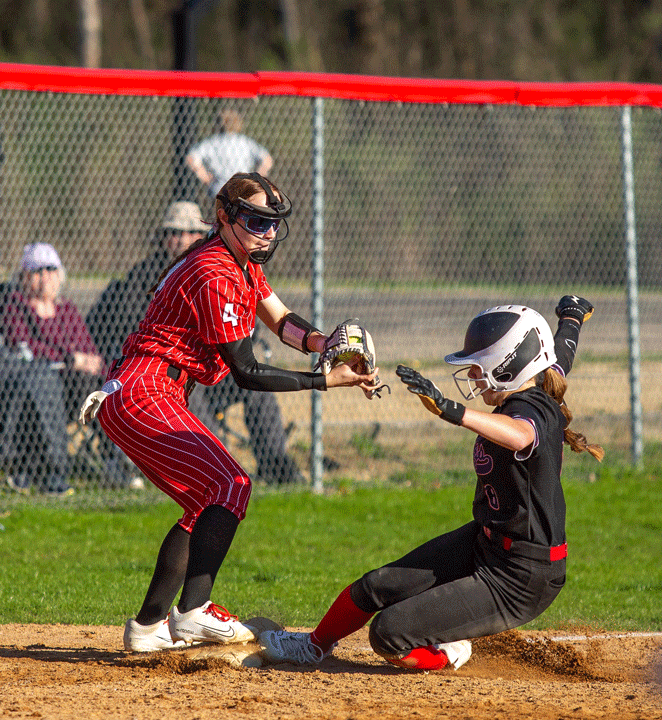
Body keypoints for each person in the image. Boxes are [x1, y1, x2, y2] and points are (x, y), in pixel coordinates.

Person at [90, 172, 380, 653]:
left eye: (272, 224)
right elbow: (246, 371)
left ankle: (147, 627)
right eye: (254, 220)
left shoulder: (238, 261)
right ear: (224, 215)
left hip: (152, 387)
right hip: (145, 388)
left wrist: (322, 343)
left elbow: (280, 318)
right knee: (231, 484)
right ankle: (193, 612)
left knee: (203, 503)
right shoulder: (215, 270)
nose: (266, 232)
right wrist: (324, 379)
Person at [259, 296, 604, 670]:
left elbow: (521, 435)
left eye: (479, 367)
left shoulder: (531, 411)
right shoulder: (535, 383)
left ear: (510, 365)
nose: (472, 376)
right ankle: (313, 646)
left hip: (523, 576)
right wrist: (571, 318)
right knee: (376, 585)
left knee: (389, 634)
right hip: (486, 542)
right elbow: (560, 355)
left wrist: (452, 411)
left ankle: (450, 650)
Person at [85, 200, 304, 485]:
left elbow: (244, 318)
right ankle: (222, 472)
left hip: (216, 367)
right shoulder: (143, 278)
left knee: (257, 389)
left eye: (190, 232)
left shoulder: (220, 267)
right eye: (174, 232)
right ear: (164, 237)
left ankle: (275, 463)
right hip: (169, 375)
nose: (182, 239)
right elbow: (132, 327)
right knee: (192, 390)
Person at [0, 243, 107, 495]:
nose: (44, 276)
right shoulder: (15, 305)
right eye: (36, 270)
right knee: (40, 383)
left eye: (50, 269)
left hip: (72, 389)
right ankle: (49, 471)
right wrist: (71, 359)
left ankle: (116, 460)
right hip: (33, 385)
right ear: (24, 277)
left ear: (60, 274)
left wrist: (83, 361)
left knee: (104, 387)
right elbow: (23, 346)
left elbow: (88, 350)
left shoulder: (67, 309)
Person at [186, 110, 273, 199]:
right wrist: (255, 179)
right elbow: (267, 159)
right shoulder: (244, 142)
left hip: (220, 188)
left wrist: (205, 177)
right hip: (242, 187)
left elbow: (191, 158)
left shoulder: (212, 142)